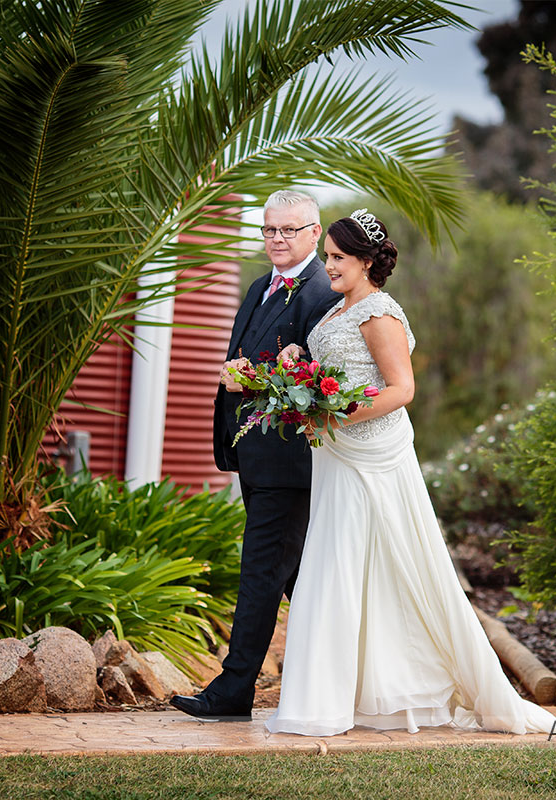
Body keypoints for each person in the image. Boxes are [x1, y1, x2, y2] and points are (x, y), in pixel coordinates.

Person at [264, 209, 556, 736]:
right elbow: (336, 375)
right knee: (345, 570)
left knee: (357, 567)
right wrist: (298, 367)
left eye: (337, 258)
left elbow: (401, 389)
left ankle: (354, 698)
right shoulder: (339, 310)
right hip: (336, 458)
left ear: (364, 261)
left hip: (369, 457)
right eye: (329, 257)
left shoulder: (378, 311)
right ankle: (341, 696)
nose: (329, 266)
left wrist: (333, 414)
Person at [170, 190, 341, 722]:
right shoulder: (257, 286)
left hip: (291, 462)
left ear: (315, 232)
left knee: (261, 573)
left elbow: (323, 378)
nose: (277, 240)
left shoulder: (325, 292)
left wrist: (259, 376)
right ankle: (348, 678)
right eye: (269, 230)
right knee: (296, 579)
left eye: (289, 230)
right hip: (256, 455)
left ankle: (233, 690)